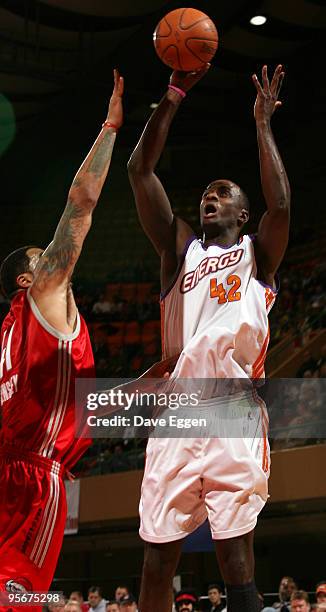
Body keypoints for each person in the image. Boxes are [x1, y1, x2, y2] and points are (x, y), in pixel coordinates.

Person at [128, 63, 290, 612]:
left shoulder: (255, 257)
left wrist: (263, 124)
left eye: (222, 194)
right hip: (178, 413)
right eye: (205, 193)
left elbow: (282, 208)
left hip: (233, 408)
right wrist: (172, 95)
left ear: (242, 214)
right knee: (157, 560)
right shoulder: (180, 252)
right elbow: (140, 171)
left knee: (235, 557)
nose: (210, 198)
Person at [0, 69, 124, 611]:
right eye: (39, 254)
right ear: (28, 279)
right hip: (31, 477)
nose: (49, 255)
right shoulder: (42, 295)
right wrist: (110, 127)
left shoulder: (7, 335)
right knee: (20, 596)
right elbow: (80, 203)